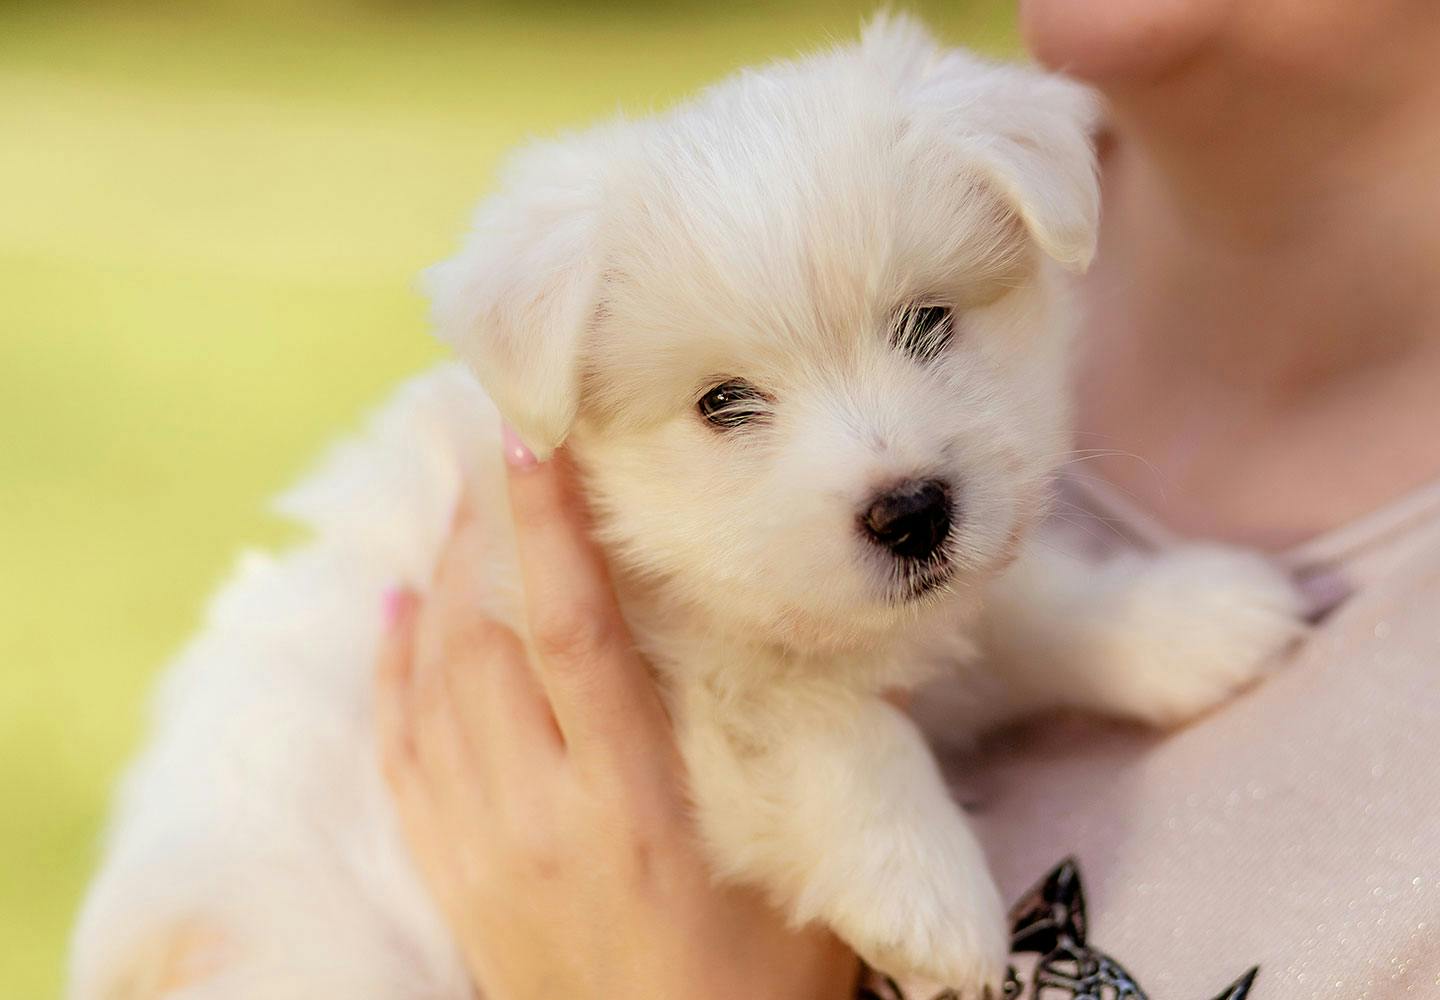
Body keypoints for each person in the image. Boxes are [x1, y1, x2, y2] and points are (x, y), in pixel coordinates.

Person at [377, 1, 1440, 997]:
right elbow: (689, 691)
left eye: (928, 325)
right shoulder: (473, 496)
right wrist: (854, 785)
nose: (885, 473)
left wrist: (1076, 629)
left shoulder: (957, 140)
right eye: (729, 404)